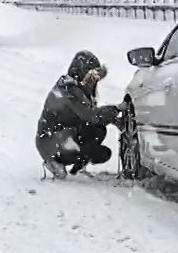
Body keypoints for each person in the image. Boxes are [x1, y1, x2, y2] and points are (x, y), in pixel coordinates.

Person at [36, 50, 125, 179]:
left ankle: (78, 162)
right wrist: (117, 109)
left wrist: (113, 119)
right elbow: (92, 116)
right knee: (100, 152)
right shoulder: (69, 91)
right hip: (51, 142)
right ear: (81, 73)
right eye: (92, 76)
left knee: (98, 130)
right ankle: (55, 161)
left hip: (64, 134)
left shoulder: (75, 88)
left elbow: (89, 116)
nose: (94, 81)